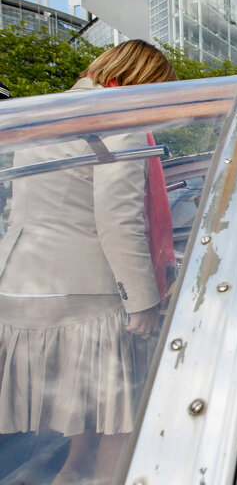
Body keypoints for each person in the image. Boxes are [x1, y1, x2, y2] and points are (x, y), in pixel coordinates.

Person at [0, 39, 177, 484]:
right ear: (144, 80)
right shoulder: (121, 118)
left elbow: (16, 208)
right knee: (120, 411)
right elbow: (118, 220)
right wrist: (143, 302)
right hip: (89, 294)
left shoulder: (42, 111)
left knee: (75, 407)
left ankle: (70, 470)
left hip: (21, 286)